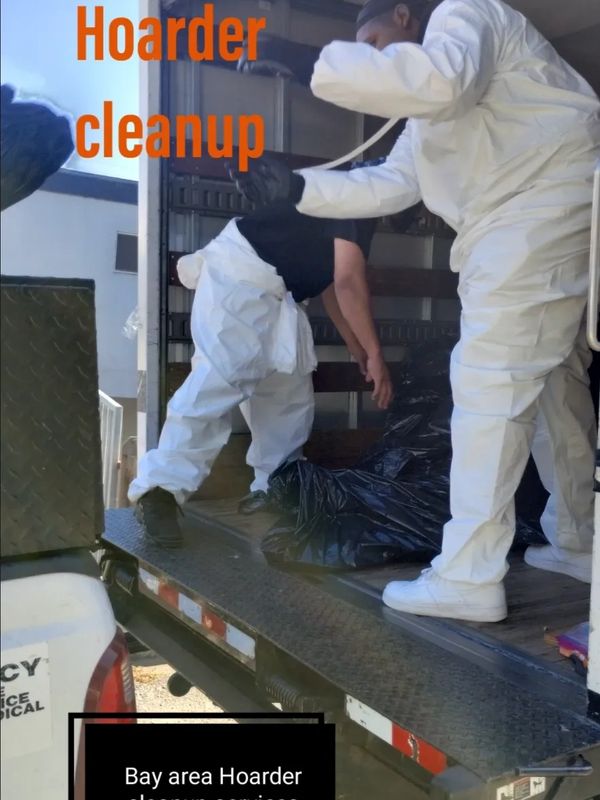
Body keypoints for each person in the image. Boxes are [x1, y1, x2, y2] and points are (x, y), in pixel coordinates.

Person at [230, 0, 600, 621]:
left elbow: (439, 81)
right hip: (545, 215)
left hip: (530, 217)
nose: (372, 57)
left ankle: (468, 576)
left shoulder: (464, 16)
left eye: (375, 40)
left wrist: (301, 60)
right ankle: (577, 539)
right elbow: (391, 184)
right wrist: (296, 192)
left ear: (406, 18)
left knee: (490, 386)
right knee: (552, 384)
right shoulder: (426, 117)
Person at [128, 198, 393, 548]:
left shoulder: (350, 203)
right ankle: (158, 493)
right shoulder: (359, 199)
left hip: (280, 293)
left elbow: (331, 284)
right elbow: (347, 282)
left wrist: (358, 347)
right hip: (239, 277)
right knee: (216, 383)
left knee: (287, 394)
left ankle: (275, 488)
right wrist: (375, 354)